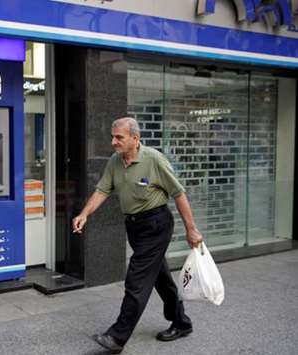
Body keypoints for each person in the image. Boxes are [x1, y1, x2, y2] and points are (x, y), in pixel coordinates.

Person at [72, 117, 203, 354]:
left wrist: (191, 229)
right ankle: (182, 323)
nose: (113, 142)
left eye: (119, 137)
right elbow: (102, 190)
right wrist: (84, 214)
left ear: (135, 138)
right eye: (112, 136)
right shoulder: (115, 161)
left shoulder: (153, 159)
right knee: (160, 277)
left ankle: (117, 337)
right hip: (134, 226)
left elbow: (179, 193)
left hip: (156, 224)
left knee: (137, 279)